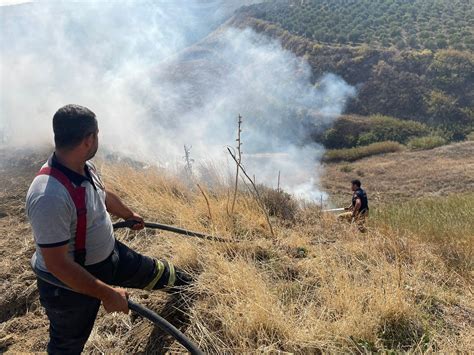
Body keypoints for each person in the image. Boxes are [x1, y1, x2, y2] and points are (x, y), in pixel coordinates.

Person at [26, 104, 192, 354]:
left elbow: (101, 194)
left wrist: (127, 214)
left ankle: (188, 286)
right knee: (67, 345)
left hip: (110, 255)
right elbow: (58, 264)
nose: (98, 139)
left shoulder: (83, 166)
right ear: (89, 139)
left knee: (158, 272)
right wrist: (106, 292)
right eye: (97, 134)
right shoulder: (49, 196)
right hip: (70, 287)